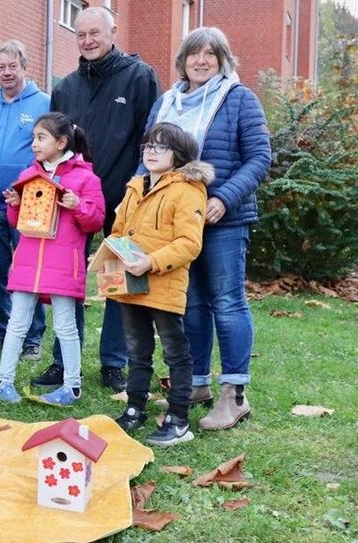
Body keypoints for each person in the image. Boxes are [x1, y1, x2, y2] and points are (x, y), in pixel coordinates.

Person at [145, 27, 271, 430]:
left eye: (210, 54)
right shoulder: (166, 102)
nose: (201, 61)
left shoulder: (238, 99)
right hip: (176, 220)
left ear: (222, 59)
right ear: (182, 60)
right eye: (193, 54)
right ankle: (196, 383)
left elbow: (259, 158)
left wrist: (224, 198)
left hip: (223, 219)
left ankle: (234, 395)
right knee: (191, 304)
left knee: (227, 301)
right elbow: (148, 155)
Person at [33, 7, 160, 392]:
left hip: (123, 198)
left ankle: (113, 362)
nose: (87, 40)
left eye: (95, 33)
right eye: (80, 34)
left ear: (113, 31)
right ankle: (62, 359)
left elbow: (150, 137)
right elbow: (52, 146)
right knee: (67, 281)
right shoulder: (65, 86)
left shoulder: (140, 77)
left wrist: (140, 187)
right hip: (72, 201)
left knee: (116, 280)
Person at [111, 122, 214, 446]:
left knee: (175, 352)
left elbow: (189, 243)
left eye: (161, 147)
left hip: (164, 284)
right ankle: (134, 408)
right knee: (137, 350)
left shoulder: (188, 189)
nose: (152, 152)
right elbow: (118, 229)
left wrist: (151, 262)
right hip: (130, 282)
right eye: (148, 146)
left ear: (178, 154)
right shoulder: (135, 186)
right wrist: (111, 252)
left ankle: (179, 418)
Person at [0, 113, 104, 405]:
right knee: (17, 323)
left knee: (65, 327)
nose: (34, 144)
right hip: (28, 264)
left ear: (61, 141)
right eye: (33, 138)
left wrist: (78, 205)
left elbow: (95, 221)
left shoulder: (86, 178)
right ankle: (4, 381)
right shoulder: (27, 177)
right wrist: (14, 206)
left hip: (63, 265)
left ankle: (72, 386)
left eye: (41, 138)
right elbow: (19, 222)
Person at [0, 39, 51, 359]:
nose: (6, 73)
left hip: (31, 202)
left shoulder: (43, 103)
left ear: (25, 68)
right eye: (1, 67)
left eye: (12, 66)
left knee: (31, 271)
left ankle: (32, 338)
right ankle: (3, 330)